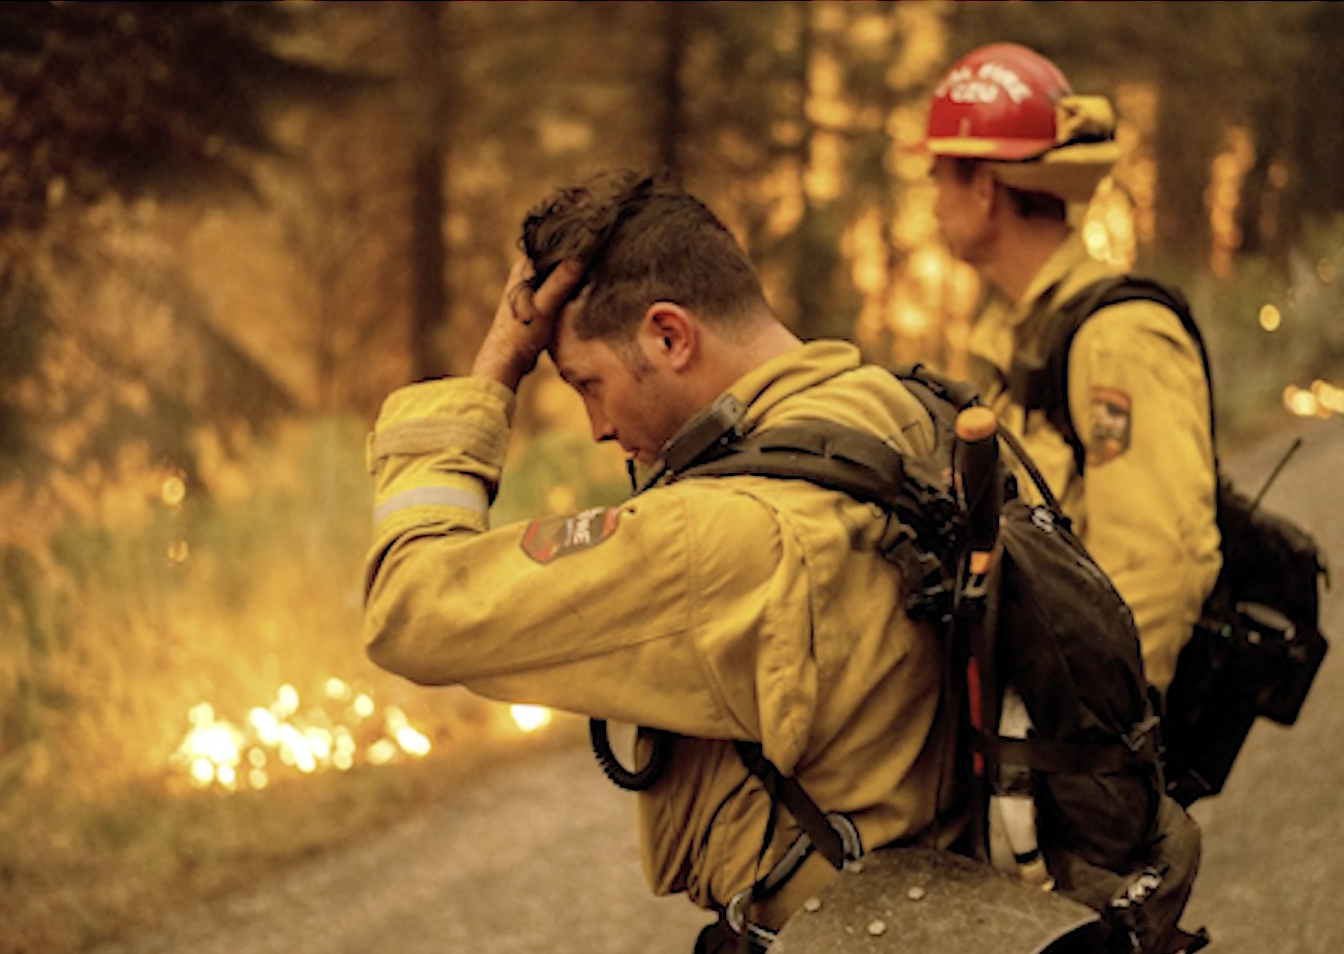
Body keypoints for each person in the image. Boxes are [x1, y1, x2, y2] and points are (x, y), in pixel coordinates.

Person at [361, 171, 961, 950]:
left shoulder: (719, 535)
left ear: (670, 336)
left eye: (588, 383)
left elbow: (414, 609)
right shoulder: (899, 411)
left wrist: (496, 369)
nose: (597, 427)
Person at [918, 42, 1221, 695]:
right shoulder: (1018, 336)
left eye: (940, 173)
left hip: (1093, 724)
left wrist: (1100, 742)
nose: (933, 196)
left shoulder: (1117, 339)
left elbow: (1155, 563)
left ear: (984, 188)